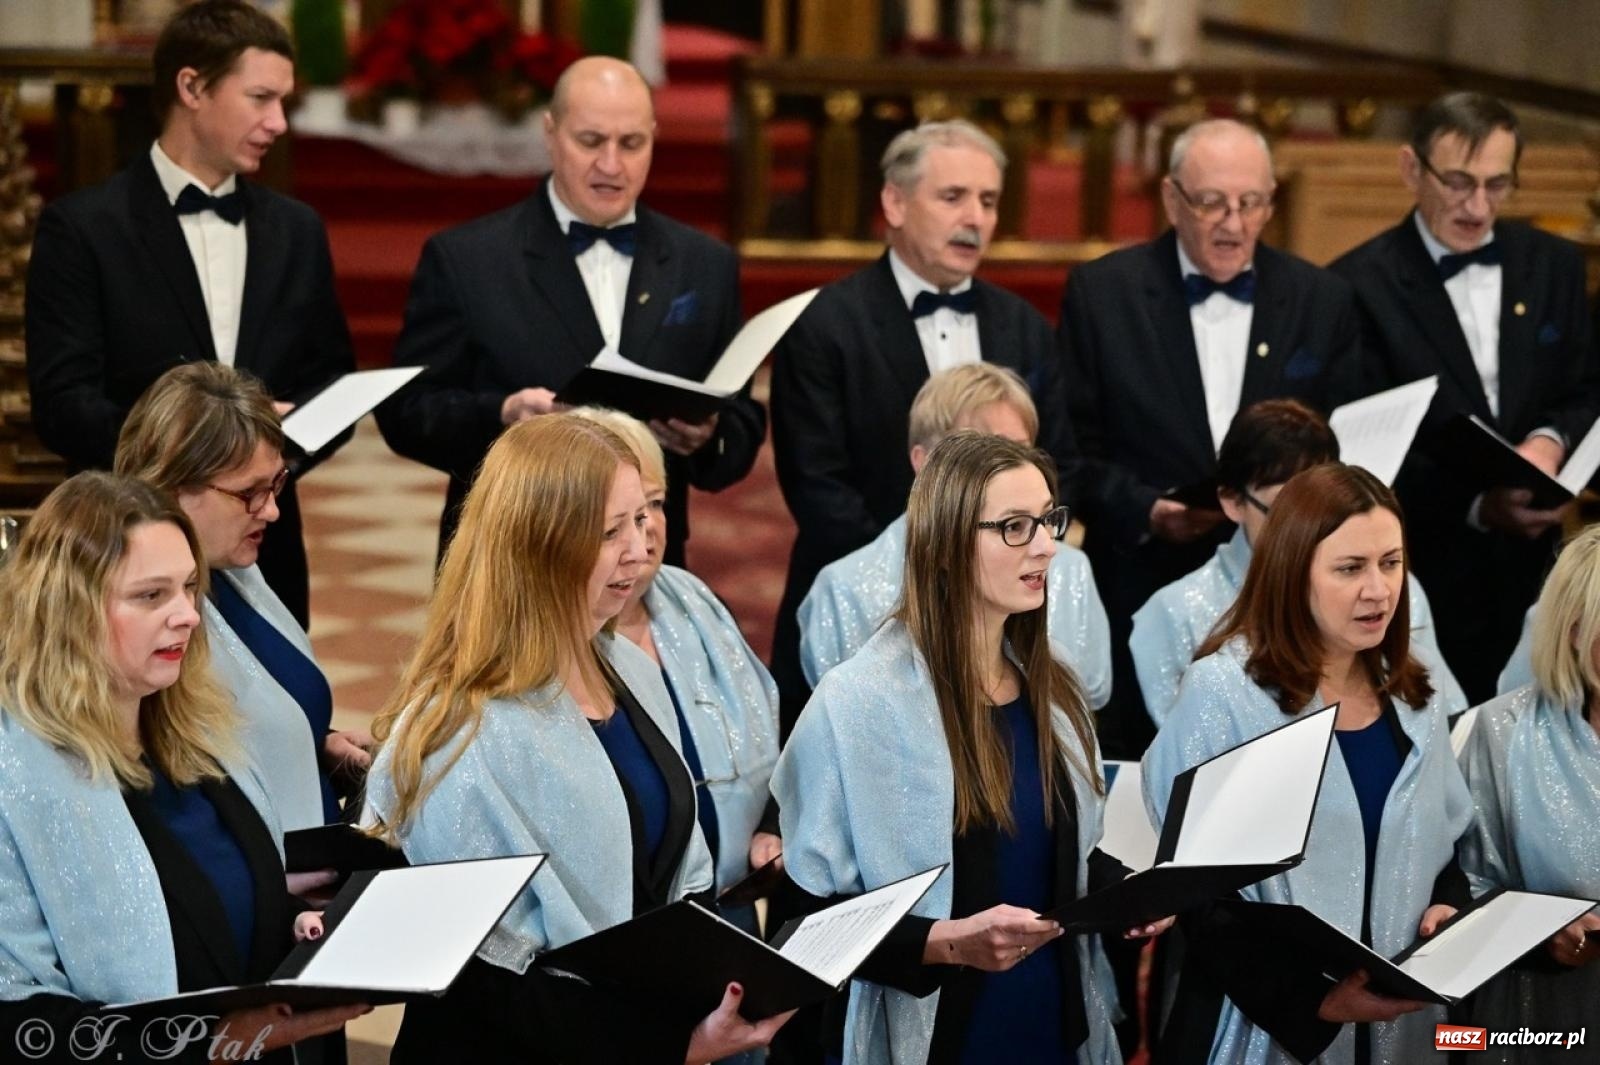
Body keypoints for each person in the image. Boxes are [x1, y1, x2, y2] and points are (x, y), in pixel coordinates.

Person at [364, 415, 788, 1064]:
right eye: (609, 531)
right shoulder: (459, 729)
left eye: (643, 519)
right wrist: (675, 1044)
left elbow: (673, 874)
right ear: (540, 546)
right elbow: (491, 977)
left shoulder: (630, 671)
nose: (638, 548)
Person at [774, 431, 1167, 1065]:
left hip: (1050, 1021)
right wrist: (947, 943)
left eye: (1048, 520)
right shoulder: (859, 703)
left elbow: (1055, 856)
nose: (1046, 546)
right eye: (1015, 526)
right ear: (950, 542)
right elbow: (805, 926)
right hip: (940, 1036)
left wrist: (1129, 894)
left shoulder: (1053, 684)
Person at [0, 472, 364, 1064]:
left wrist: (289, 922)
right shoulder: (17, 773)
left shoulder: (197, 733)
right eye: (151, 595)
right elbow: (17, 1023)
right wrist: (213, 1043)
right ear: (68, 607)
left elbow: (202, 909)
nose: (189, 615)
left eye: (190, 587)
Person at [24, 0, 355, 630]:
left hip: (268, 550)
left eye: (283, 101)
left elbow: (330, 378)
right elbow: (63, 403)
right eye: (260, 98)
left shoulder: (296, 230)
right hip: (127, 544)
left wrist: (277, 456)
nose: (278, 122)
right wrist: (198, 453)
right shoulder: (85, 228)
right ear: (192, 87)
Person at [1142, 463, 1473, 1064]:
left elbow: (1445, 845)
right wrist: (1313, 1000)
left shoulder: (1415, 693)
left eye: (1391, 562)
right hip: (1264, 1028)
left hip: (1405, 1027)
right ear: (1293, 572)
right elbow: (1200, 898)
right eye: (1350, 568)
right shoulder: (1225, 692)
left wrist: (1447, 906)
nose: (1379, 589)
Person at [375, 56, 761, 562]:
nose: (611, 165)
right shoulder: (468, 259)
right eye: (590, 141)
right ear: (551, 134)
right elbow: (406, 411)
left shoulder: (704, 264)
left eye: (631, 143)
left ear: (654, 137)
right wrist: (501, 416)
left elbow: (742, 420)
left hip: (648, 566)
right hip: (510, 561)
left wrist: (707, 437)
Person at [1059, 118, 1361, 759]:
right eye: (1211, 202)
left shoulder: (1321, 299)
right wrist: (1145, 510)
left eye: (1251, 203)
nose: (1233, 222)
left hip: (1287, 594)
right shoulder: (1104, 294)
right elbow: (1070, 452)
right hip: (1144, 582)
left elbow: (1343, 445)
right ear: (1171, 199)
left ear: (1271, 201)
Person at [769, 119, 1076, 734]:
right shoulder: (826, 324)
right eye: (953, 196)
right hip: (864, 610)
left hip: (1003, 630)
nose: (976, 218)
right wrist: (933, 579)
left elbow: (1056, 460)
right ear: (894, 202)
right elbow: (819, 489)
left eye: (988, 201)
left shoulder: (1022, 326)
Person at [1330, 92, 1600, 704]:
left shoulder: (1554, 266)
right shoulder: (1357, 285)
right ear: (1410, 169)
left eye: (1497, 185)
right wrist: (1480, 505)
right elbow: (1365, 444)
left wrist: (1548, 441)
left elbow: (1587, 386)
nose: (1478, 206)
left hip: (1545, 574)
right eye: (1457, 183)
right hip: (1428, 573)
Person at [115, 363, 370, 831]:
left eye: (276, 484)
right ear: (171, 487)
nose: (271, 511)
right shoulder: (144, 624)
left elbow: (255, 722)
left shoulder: (236, 574)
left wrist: (318, 747)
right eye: (250, 493)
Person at [572, 406, 783, 926]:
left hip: (728, 910)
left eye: (655, 507)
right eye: (617, 523)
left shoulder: (693, 601)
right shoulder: (553, 650)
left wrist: (773, 823)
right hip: (625, 936)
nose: (645, 539)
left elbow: (766, 736)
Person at [1131, 399, 1465, 723]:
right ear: (1233, 501)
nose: (1308, 528)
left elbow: (1436, 710)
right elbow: (1193, 757)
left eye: (1323, 504)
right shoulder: (1175, 612)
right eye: (1284, 507)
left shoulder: (1389, 586)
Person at [798, 362, 1111, 708]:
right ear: (924, 462)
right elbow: (848, 724)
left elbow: (1086, 700)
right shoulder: (845, 587)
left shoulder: (1070, 569)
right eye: (982, 452)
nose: (1007, 469)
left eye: (1019, 451)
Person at [1458, 524, 1600, 1063]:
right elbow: (1464, 885)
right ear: (1574, 630)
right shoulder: (1504, 733)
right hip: (1539, 1018)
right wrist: (1542, 931)